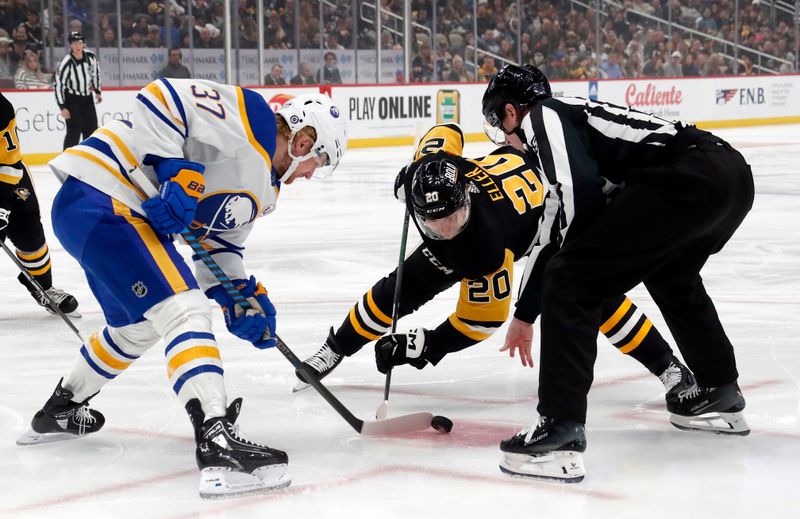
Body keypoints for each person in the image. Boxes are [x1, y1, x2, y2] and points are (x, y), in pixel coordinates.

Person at [17, 80, 348, 499]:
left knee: (138, 327)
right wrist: (176, 169)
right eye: (316, 163)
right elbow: (164, 98)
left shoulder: (264, 192)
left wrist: (240, 296)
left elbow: (219, 247)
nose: (309, 174)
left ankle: (60, 408)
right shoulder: (254, 119)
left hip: (97, 213)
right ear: (303, 141)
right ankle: (215, 434)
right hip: (104, 194)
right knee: (185, 310)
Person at [293, 123, 694, 419]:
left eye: (452, 217)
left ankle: (670, 368)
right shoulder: (437, 169)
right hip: (515, 172)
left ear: (467, 197)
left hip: (555, 220)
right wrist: (416, 168)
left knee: (596, 298)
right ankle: (334, 348)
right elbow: (445, 130)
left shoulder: (486, 248)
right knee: (397, 289)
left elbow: (482, 321)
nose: (444, 229)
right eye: (432, 223)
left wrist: (424, 345)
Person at [481, 64, 753, 482]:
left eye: (501, 124)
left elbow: (577, 196)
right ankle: (718, 389)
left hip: (686, 177)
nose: (505, 139)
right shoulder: (573, 122)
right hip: (728, 175)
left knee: (570, 281)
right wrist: (523, 313)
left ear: (511, 112)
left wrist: (567, 273)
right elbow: (552, 226)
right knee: (672, 275)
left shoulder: (543, 115)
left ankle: (560, 428)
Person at [0, 92, 79, 316]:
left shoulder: (1, 108)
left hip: (7, 176)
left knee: (30, 233)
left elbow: (9, 162)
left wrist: (2, 206)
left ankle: (43, 288)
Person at [54, 31, 102, 150]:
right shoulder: (66, 62)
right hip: (72, 99)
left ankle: (90, 156)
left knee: (91, 129)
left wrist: (97, 91)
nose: (77, 46)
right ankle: (67, 159)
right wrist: (62, 106)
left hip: (87, 98)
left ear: (83, 44)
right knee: (74, 130)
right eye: (74, 43)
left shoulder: (91, 57)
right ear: (70, 45)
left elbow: (95, 74)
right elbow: (58, 84)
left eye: (79, 42)